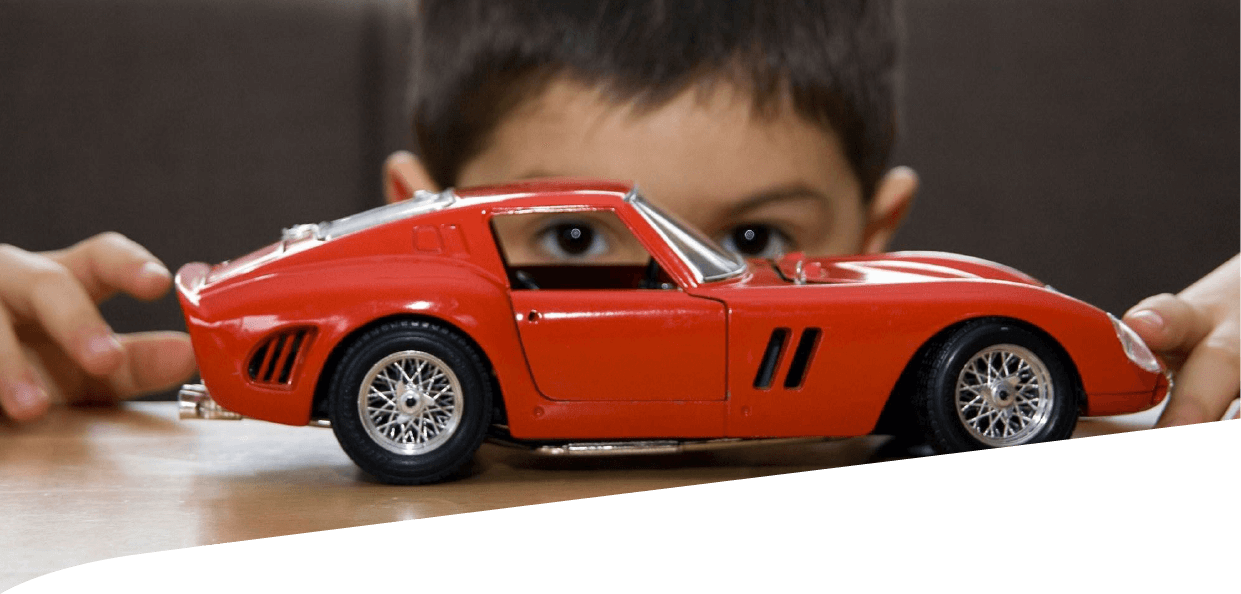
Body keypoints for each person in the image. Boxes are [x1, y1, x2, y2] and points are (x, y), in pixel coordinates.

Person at [1, 0, 1236, 431]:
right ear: (423, 214)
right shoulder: (420, 347)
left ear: (875, 234)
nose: (722, 262)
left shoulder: (908, 289)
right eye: (574, 240)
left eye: (754, 240)